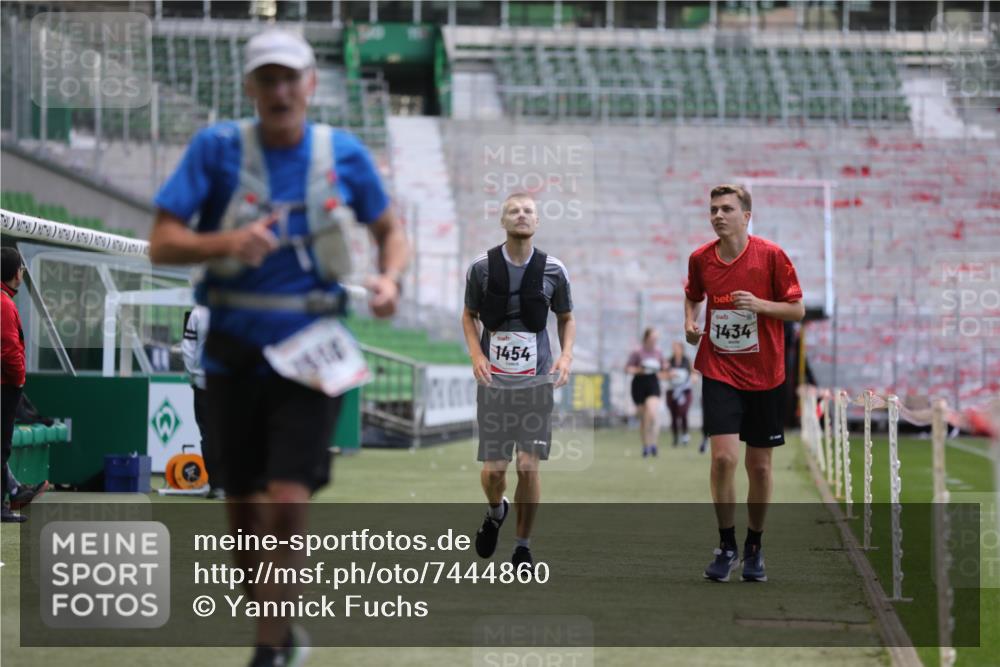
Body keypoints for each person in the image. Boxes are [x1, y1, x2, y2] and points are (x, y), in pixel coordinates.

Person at [148, 29, 408, 667]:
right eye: (267, 79)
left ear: (310, 84)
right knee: (243, 517)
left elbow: (387, 226)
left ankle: (268, 652)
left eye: (291, 78)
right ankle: (279, 626)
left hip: (309, 350)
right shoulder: (215, 150)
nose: (281, 90)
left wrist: (388, 278)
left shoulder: (340, 153)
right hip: (232, 352)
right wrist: (227, 244)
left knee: (288, 500)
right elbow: (162, 241)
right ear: (250, 88)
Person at [684, 184, 804, 583]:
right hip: (719, 369)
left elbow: (797, 308)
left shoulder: (771, 256)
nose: (717, 215)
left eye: (726, 209)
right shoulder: (701, 258)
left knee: (760, 467)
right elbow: (692, 295)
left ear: (746, 216)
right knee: (723, 459)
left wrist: (760, 305)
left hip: (766, 375)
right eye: (713, 209)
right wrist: (689, 322)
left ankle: (754, 544)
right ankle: (726, 544)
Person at [462, 192, 575, 571]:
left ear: (537, 221)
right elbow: (469, 314)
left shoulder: (554, 270)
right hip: (495, 386)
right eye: (514, 210)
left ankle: (523, 547)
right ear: (503, 220)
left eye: (528, 211)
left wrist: (565, 355)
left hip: (536, 383)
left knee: (528, 466)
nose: (522, 215)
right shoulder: (481, 267)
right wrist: (478, 355)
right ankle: (496, 511)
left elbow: (566, 317)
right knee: (495, 471)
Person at [181, 305, 223, 499]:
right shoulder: (241, 305)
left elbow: (187, 349)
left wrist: (194, 376)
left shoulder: (198, 311)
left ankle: (218, 485)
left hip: (204, 383)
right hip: (234, 385)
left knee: (209, 436)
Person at [1, 247, 28, 523]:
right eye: (20, 268)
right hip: (5, 385)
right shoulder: (5, 303)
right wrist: (19, 377)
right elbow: (9, 349)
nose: (22, 273)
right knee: (2, 447)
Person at [625, 328, 665, 457]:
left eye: (656, 339)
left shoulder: (658, 353)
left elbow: (664, 368)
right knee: (643, 418)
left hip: (653, 383)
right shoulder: (637, 352)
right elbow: (628, 368)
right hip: (639, 384)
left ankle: (654, 443)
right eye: (652, 338)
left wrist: (669, 372)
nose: (654, 341)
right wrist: (639, 370)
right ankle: (646, 445)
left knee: (652, 412)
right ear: (646, 338)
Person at [665, 341, 693, 447]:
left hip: (684, 391)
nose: (675, 350)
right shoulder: (669, 361)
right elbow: (663, 373)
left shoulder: (687, 361)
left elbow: (694, 373)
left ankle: (685, 434)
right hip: (672, 391)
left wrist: (693, 378)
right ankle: (675, 437)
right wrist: (669, 375)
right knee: (673, 415)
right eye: (674, 348)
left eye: (677, 348)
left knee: (683, 412)